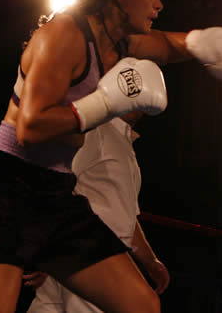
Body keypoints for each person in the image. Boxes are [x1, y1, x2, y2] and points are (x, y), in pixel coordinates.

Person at [0, 0, 222, 313]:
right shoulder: (64, 35)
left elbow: (167, 44)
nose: (159, 4)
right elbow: (30, 128)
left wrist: (202, 42)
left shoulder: (121, 43)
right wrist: (105, 103)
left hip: (57, 192)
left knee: (142, 305)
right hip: (6, 187)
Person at [25, 111, 170, 312]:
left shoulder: (121, 140)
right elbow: (52, 181)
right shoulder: (96, 131)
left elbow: (125, 215)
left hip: (80, 254)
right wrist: (42, 244)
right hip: (89, 253)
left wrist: (149, 260)